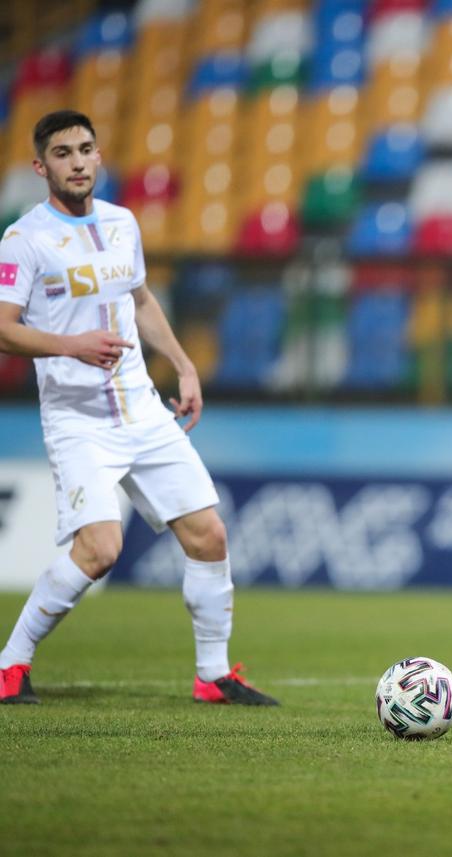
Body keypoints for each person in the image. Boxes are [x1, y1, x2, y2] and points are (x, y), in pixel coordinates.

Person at [0, 110, 276, 706]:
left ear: (99, 156)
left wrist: (183, 365)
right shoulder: (24, 239)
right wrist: (70, 345)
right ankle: (10, 663)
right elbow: (3, 329)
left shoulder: (123, 224)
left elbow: (141, 299)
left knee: (208, 535)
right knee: (99, 549)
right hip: (77, 419)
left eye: (86, 149)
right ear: (40, 166)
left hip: (142, 410)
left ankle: (213, 675)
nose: (77, 161)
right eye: (63, 153)